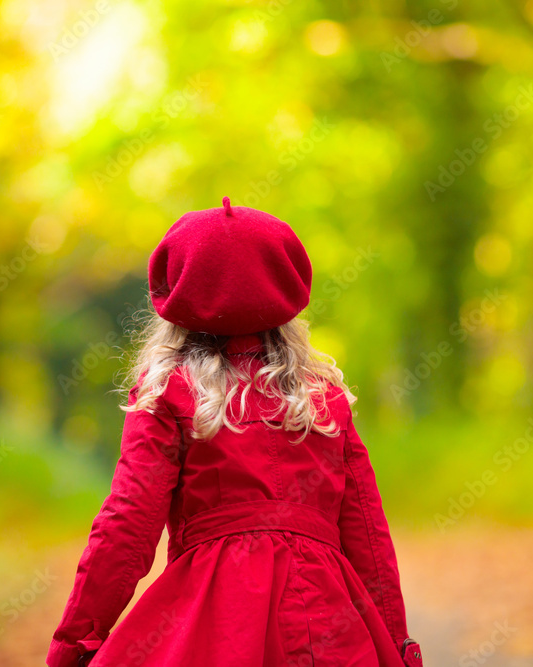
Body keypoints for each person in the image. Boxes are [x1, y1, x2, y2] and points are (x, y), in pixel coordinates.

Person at [47, 197, 422, 667]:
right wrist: (397, 644)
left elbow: (127, 524)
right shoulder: (321, 400)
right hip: (327, 623)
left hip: (213, 618)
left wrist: (76, 643)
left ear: (175, 296)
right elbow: (368, 537)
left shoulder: (170, 392)